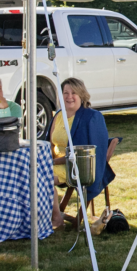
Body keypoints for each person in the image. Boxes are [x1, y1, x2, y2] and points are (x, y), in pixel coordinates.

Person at [46, 78, 118, 230]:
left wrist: (51, 163)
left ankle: (57, 219)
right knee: (26, 174)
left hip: (73, 167)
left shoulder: (91, 118)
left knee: (42, 179)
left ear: (82, 95)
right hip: (53, 162)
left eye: (74, 93)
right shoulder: (59, 115)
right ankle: (43, 216)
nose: (69, 96)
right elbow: (50, 144)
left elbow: (85, 153)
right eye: (65, 93)